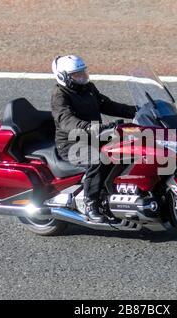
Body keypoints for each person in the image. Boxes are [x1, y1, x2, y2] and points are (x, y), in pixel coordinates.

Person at [50, 55, 137, 222]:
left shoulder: (87, 88)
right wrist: (89, 127)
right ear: (64, 77)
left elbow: (107, 104)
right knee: (97, 159)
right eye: (77, 75)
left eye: (83, 72)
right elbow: (65, 119)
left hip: (94, 136)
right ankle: (91, 204)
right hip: (72, 143)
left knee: (129, 146)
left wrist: (136, 110)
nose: (82, 77)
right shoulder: (59, 94)